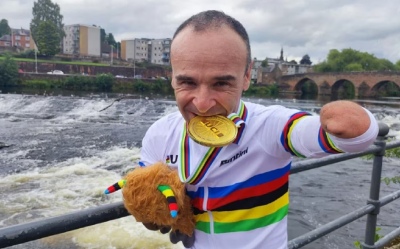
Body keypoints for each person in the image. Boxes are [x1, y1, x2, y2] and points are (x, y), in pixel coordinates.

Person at [138, 10, 379, 249]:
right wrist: (154, 211)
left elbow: (353, 139)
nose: (202, 103)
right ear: (172, 77)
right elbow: (143, 199)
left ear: (246, 76)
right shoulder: (160, 134)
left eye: (221, 83)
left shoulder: (270, 126)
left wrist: (355, 123)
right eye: (187, 82)